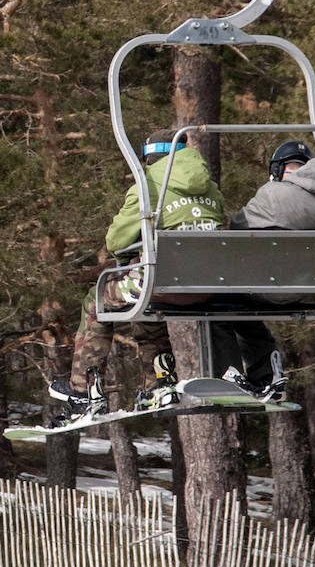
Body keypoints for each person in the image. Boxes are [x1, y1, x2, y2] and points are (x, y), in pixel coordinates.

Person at [47, 129, 226, 425]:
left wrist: (128, 256)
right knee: (142, 305)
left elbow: (116, 240)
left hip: (159, 283)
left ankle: (84, 393)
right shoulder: (210, 188)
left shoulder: (147, 186)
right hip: (210, 285)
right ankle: (159, 384)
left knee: (98, 301)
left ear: (151, 156)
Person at [216, 139, 315, 401]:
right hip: (309, 291)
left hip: (268, 289)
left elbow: (237, 229)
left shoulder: (272, 194)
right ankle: (267, 375)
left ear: (277, 169)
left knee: (219, 302)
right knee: (241, 312)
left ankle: (228, 373)